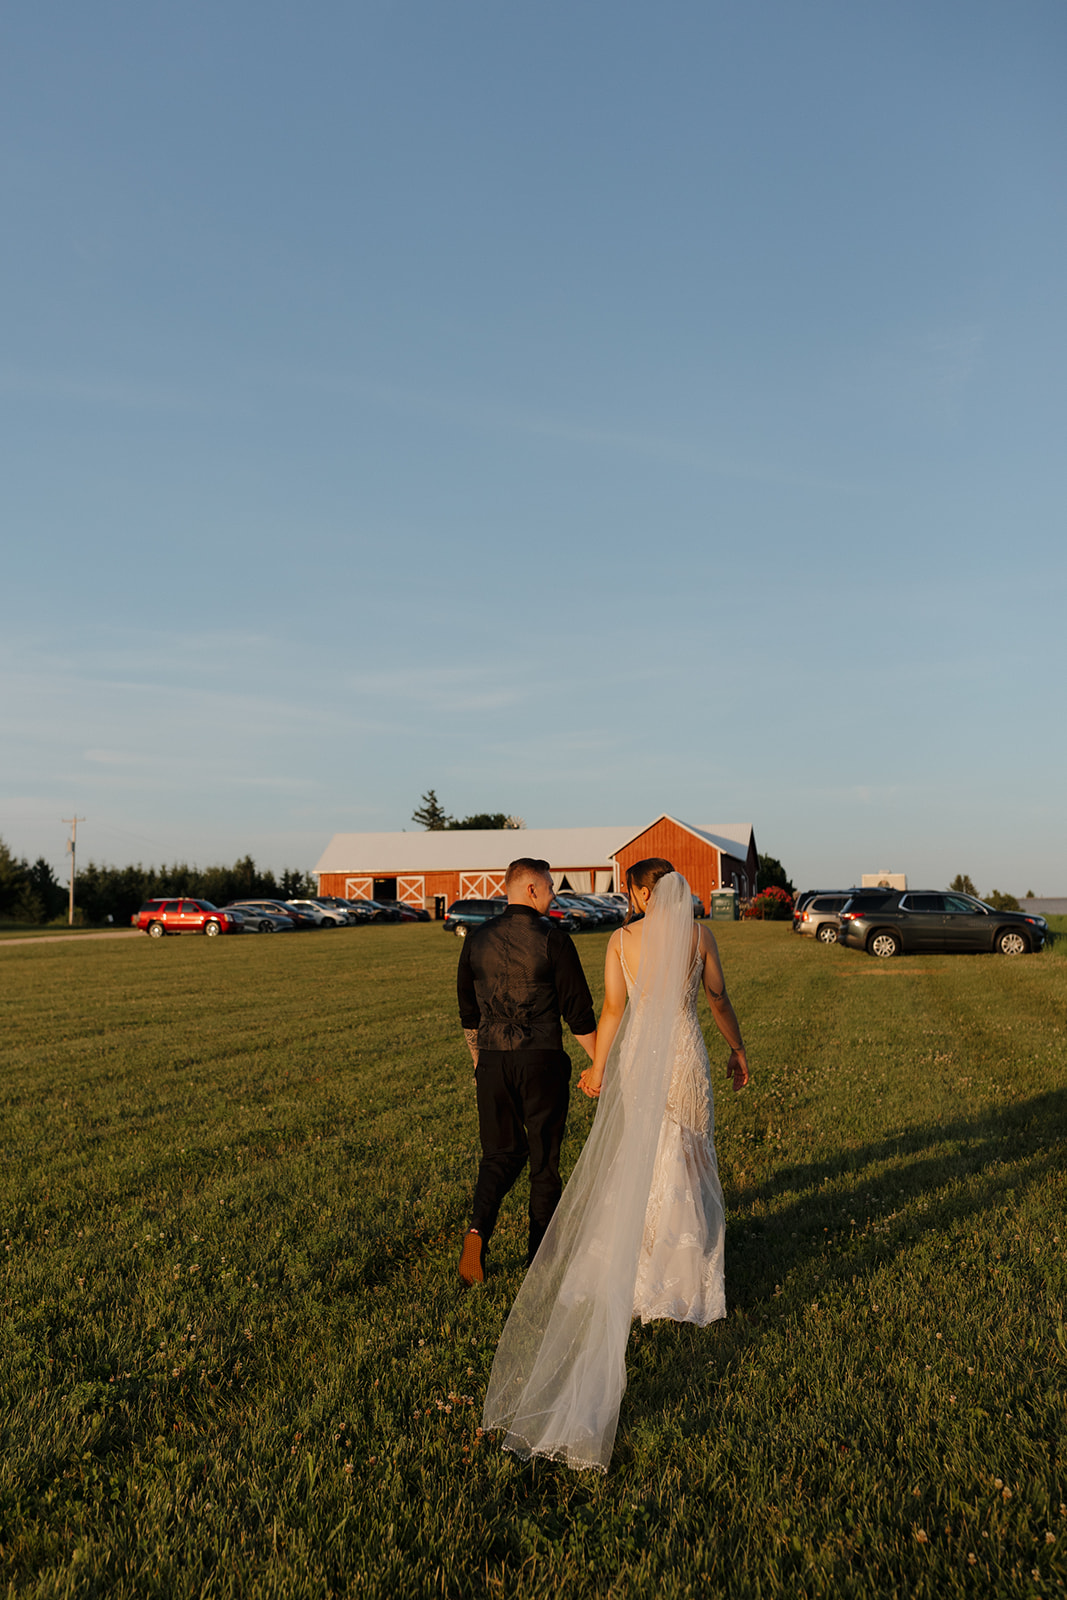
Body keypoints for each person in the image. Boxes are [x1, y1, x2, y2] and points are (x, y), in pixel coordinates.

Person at [481, 859, 748, 1471]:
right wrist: (737, 1049)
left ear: (635, 892)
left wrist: (600, 1066)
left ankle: (638, 1266)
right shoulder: (699, 936)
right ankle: (679, 1277)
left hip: (638, 1060)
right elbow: (717, 997)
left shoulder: (621, 940)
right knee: (683, 1155)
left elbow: (611, 1011)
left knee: (642, 1156)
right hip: (682, 1052)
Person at [456, 857, 598, 1286]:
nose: (554, 895)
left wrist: (480, 1062)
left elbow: (467, 1012)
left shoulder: (476, 939)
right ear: (531, 890)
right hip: (541, 1059)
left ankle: (479, 1228)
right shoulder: (554, 939)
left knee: (499, 1154)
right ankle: (539, 1258)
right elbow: (578, 1011)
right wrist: (599, 1063)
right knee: (543, 1162)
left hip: (494, 1059)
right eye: (550, 887)